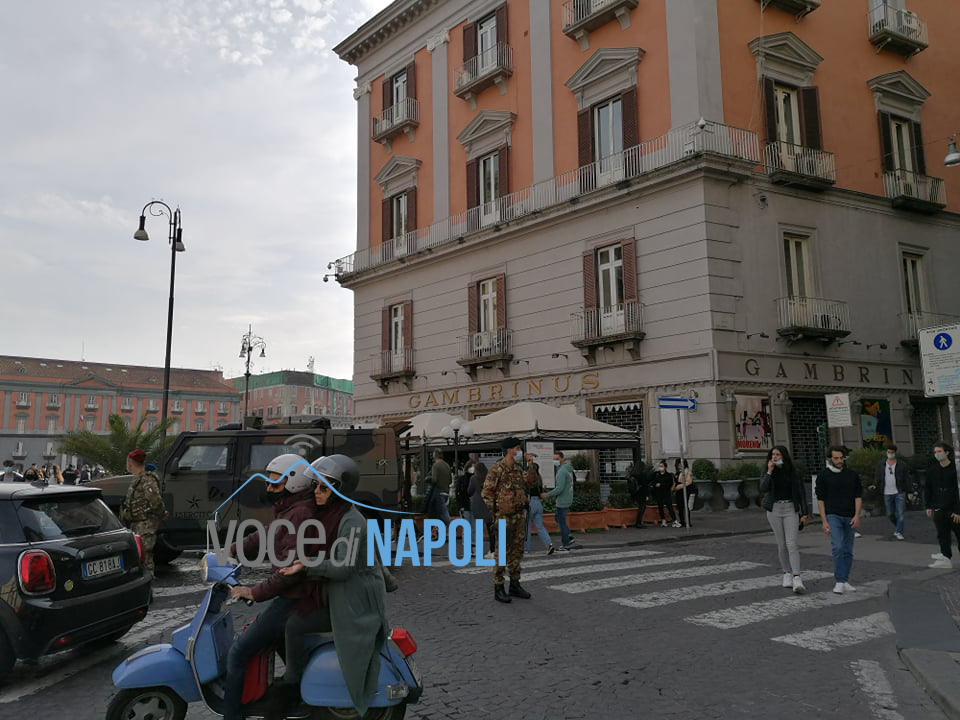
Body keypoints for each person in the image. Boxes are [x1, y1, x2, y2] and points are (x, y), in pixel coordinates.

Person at [277, 455, 392, 716]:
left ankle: (293, 683)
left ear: (339, 492)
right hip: (342, 594)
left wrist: (306, 565)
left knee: (294, 625)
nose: (316, 492)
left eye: (323, 488)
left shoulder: (351, 521)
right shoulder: (334, 515)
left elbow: (342, 567)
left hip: (353, 603)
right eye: (315, 486)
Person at [222, 453, 320, 720]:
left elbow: (289, 574)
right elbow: (266, 533)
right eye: (268, 482)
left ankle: (232, 715)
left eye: (275, 484)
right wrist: (231, 549)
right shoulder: (290, 509)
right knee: (278, 644)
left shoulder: (299, 514)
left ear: (294, 483)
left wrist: (253, 592)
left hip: (293, 599)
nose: (268, 488)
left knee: (238, 652)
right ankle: (295, 693)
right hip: (296, 596)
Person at [482, 437, 532, 603]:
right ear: (510, 450)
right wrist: (495, 514)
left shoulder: (518, 469)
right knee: (502, 552)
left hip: (518, 516)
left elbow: (532, 483)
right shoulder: (497, 469)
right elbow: (486, 494)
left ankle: (515, 585)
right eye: (517, 448)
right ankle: (499, 587)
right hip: (504, 517)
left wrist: (531, 466)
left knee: (517, 551)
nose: (519, 451)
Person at [760, 445, 809, 594]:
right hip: (774, 510)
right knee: (781, 544)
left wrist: (804, 513)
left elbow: (801, 493)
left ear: (784, 456)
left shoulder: (793, 472)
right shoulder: (768, 471)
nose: (774, 457)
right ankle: (786, 573)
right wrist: (769, 472)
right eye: (773, 454)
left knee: (791, 543)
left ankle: (797, 577)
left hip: (790, 509)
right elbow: (763, 488)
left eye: (778, 454)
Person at [816, 446, 862, 594]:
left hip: (850, 515)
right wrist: (824, 521)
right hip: (832, 515)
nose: (839, 461)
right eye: (836, 458)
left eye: (841, 458)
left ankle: (844, 579)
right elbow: (820, 500)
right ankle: (839, 581)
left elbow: (858, 496)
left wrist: (857, 515)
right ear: (830, 459)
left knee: (848, 549)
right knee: (838, 546)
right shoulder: (823, 475)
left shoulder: (852, 475)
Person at [119, 449, 169, 576]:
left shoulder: (147, 479)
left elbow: (155, 501)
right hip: (137, 524)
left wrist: (161, 514)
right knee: (140, 557)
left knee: (146, 557)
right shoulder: (138, 479)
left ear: (130, 463)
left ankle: (147, 581)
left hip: (146, 524)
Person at [926, 441, 960, 569]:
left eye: (939, 451)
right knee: (942, 535)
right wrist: (929, 506)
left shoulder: (955, 469)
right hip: (939, 507)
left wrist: (958, 510)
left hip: (953, 508)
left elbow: (958, 490)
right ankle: (946, 558)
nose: (937, 454)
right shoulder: (933, 470)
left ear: (947, 452)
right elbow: (928, 488)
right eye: (935, 452)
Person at [872, 444, 911, 541]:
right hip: (887, 492)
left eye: (892, 452)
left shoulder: (902, 465)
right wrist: (875, 484)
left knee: (900, 513)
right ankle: (898, 527)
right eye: (888, 452)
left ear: (895, 453)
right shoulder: (881, 464)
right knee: (890, 514)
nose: (890, 454)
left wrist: (909, 491)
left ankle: (899, 531)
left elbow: (907, 478)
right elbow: (878, 476)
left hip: (899, 491)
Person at [545, 452, 578, 551]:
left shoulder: (562, 472)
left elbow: (559, 488)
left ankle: (566, 542)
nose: (555, 461)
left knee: (561, 521)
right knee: (558, 518)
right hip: (568, 497)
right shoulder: (568, 470)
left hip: (562, 500)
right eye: (554, 459)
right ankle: (568, 536)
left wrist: (547, 494)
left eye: (557, 459)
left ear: (562, 459)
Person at [524, 455, 555, 555]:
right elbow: (541, 493)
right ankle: (549, 544)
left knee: (527, 528)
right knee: (540, 527)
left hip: (530, 503)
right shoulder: (539, 479)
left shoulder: (527, 479)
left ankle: (526, 548)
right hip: (538, 503)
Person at [467, 456, 494, 557]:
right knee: (491, 529)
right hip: (488, 505)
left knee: (478, 529)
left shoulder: (473, 479)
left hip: (478, 506)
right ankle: (492, 550)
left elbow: (469, 491)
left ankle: (478, 551)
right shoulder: (489, 478)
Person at [651, 460, 677, 527]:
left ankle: (674, 520)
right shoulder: (656, 474)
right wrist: (655, 485)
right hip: (658, 493)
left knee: (670, 507)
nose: (660, 467)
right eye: (659, 466)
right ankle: (663, 520)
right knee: (660, 507)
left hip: (666, 493)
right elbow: (652, 482)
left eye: (662, 466)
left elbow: (670, 484)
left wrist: (661, 485)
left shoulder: (668, 475)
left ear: (665, 467)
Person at [626, 461, 651, 528]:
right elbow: (645, 486)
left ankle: (638, 522)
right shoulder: (642, 475)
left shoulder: (632, 474)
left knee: (640, 507)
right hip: (642, 493)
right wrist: (647, 495)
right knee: (642, 508)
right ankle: (638, 523)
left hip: (635, 493)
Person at [673, 459, 697, 528]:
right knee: (680, 507)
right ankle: (682, 521)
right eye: (678, 464)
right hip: (678, 491)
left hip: (685, 490)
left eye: (680, 464)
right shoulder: (677, 472)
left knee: (685, 506)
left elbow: (688, 482)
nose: (679, 466)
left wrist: (679, 487)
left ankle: (688, 521)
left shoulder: (686, 471)